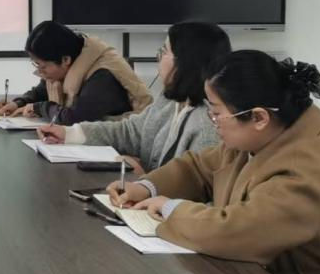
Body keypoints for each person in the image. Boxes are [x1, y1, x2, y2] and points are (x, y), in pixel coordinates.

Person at [107, 51, 320, 274]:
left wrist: (169, 207)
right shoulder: (262, 136)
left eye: (216, 113)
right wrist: (146, 187)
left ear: (258, 117)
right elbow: (198, 168)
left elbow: (235, 230)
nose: (212, 121)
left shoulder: (303, 168)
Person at [37, 21, 231, 172]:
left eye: (164, 51)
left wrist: (143, 179)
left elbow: (200, 197)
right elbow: (130, 132)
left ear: (186, 62)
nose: (157, 57)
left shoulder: (207, 127)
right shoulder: (170, 100)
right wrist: (69, 134)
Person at [0, 20, 151, 124]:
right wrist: (18, 103)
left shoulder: (102, 76)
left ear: (65, 60)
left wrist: (38, 108)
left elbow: (74, 118)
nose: (39, 72)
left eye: (42, 66)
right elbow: (43, 90)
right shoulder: (74, 58)